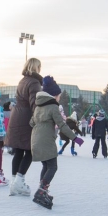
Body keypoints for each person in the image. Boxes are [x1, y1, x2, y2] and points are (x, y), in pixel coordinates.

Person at [29, 76, 80, 208]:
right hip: (46, 140)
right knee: (52, 166)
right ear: (53, 95)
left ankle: (42, 190)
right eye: (58, 95)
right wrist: (75, 137)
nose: (59, 98)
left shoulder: (38, 106)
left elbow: (31, 122)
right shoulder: (52, 107)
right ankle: (41, 191)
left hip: (35, 140)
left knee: (46, 166)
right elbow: (62, 125)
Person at [4, 57, 44, 196]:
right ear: (36, 68)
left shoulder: (23, 81)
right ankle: (19, 182)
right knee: (30, 150)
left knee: (19, 151)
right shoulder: (34, 82)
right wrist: (39, 119)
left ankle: (14, 183)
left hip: (16, 117)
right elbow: (35, 103)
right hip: (26, 119)